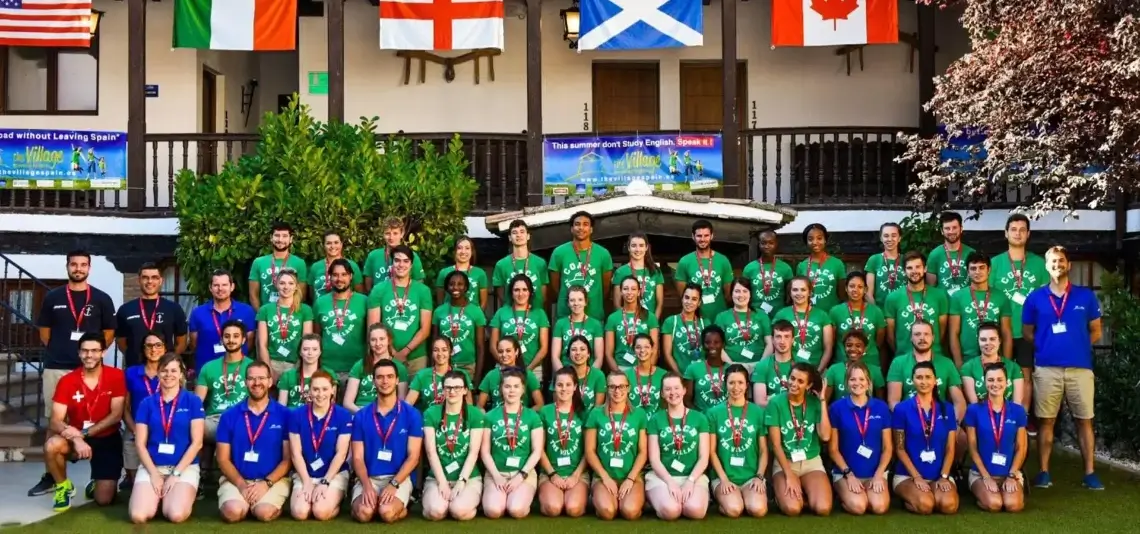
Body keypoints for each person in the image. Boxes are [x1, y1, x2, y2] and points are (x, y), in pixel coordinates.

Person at [30, 250, 116, 497]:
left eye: (83, 265)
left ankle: (96, 475)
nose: (78, 268)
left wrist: (93, 355)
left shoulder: (101, 298)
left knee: (94, 417)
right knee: (54, 420)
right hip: (57, 366)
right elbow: (45, 332)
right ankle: (53, 477)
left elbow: (109, 332)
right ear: (67, 266)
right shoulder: (53, 297)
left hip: (90, 368)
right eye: (74, 264)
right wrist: (61, 351)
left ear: (89, 268)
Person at [1022, 245, 1103, 490]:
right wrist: (1047, 347)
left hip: (1080, 368)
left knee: (1084, 420)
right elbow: (1027, 332)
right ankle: (1044, 472)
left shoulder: (1085, 296)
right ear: (1047, 267)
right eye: (1053, 262)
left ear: (1069, 265)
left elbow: (1097, 330)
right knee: (1046, 421)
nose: (1057, 265)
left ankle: (1090, 472)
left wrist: (1076, 346)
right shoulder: (1035, 297)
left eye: (1061, 261)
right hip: (1047, 368)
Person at [41, 333, 125, 512]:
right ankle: (63, 486)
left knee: (104, 500)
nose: (89, 355)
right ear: (79, 353)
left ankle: (96, 483)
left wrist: (85, 434)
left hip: (107, 437)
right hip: (75, 436)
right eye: (85, 351)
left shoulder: (116, 376)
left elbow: (116, 415)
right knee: (52, 445)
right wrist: (77, 439)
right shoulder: (67, 381)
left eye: (95, 351)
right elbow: (55, 421)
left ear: (103, 352)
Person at [990, 214, 1049, 435]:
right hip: (999, 331)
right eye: (1013, 229)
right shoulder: (995, 263)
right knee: (998, 373)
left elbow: (1047, 297)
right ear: (1006, 233)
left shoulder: (1039, 264)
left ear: (1028, 234)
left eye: (1022, 229)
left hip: (1028, 330)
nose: (1017, 233)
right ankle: (998, 414)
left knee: (1025, 375)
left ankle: (1022, 418)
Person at [129, 353, 204, 524]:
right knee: (138, 516)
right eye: (164, 371)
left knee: (175, 515)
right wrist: (154, 474)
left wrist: (175, 474)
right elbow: (140, 444)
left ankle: (172, 495)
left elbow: (197, 442)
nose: (168, 375)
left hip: (183, 468)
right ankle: (157, 496)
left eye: (173, 370)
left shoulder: (193, 401)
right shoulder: (146, 403)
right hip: (153, 467)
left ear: (181, 374)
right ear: (158, 373)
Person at [215, 361, 292, 522]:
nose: (257, 383)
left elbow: (287, 460)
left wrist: (266, 483)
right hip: (238, 479)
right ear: (245, 382)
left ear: (270, 382)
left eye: (261, 378)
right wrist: (241, 485)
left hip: (272, 480)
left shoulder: (285, 415)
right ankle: (243, 502)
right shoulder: (229, 416)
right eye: (251, 379)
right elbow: (222, 458)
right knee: (233, 512)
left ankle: (262, 503)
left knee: (263, 513)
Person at [350, 360, 423, 523]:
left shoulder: (412, 414)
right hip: (369, 478)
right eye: (380, 377)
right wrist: (367, 486)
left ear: (397, 380)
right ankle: (369, 501)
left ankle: (403, 505)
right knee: (364, 514)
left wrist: (393, 484)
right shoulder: (361, 416)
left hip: (398, 478)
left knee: (387, 513)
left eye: (390, 377)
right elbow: (357, 458)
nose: (385, 381)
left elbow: (414, 457)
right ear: (374, 381)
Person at [891, 361, 960, 515]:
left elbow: (950, 448)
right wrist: (917, 477)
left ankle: (931, 493)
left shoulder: (946, 408)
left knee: (949, 506)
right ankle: (912, 498)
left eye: (928, 377)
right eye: (919, 377)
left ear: (935, 381)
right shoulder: (902, 409)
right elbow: (900, 449)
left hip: (939, 475)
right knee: (926, 506)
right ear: (912, 380)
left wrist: (944, 477)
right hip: (908, 475)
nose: (924, 382)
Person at [765, 363, 833, 517]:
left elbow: (825, 436)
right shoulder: (776, 403)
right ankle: (783, 495)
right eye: (792, 378)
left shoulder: (815, 403)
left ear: (808, 385)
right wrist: (789, 476)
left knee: (823, 508)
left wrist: (822, 401)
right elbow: (775, 445)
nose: (794, 384)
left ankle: (805, 494)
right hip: (785, 462)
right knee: (793, 509)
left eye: (800, 381)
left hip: (811, 461)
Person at [827, 361, 892, 515]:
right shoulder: (836, 408)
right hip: (846, 473)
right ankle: (845, 496)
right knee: (859, 507)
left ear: (869, 382)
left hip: (874, 473)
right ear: (846, 383)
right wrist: (849, 475)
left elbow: (888, 448)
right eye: (853, 379)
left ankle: (866, 493)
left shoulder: (881, 407)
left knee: (879, 507)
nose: (858, 383)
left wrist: (878, 476)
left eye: (862, 379)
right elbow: (833, 449)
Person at [287, 370, 352, 521]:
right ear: (309, 391)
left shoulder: (343, 415)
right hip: (305, 473)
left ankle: (337, 501)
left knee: (320, 512)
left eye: (324, 389)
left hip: (333, 474)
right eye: (315, 389)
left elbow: (341, 453)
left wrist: (325, 481)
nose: (320, 394)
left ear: (332, 391)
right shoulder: (296, 415)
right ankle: (313, 496)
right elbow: (296, 453)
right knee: (300, 513)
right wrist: (307, 481)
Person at [421, 371, 485, 521]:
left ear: (465, 390)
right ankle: (438, 502)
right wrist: (442, 482)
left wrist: (461, 481)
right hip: (437, 477)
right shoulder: (431, 413)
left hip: (468, 477)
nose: (452, 391)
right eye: (448, 387)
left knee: (459, 512)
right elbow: (431, 452)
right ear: (443, 389)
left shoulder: (475, 414)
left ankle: (464, 503)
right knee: (436, 513)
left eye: (457, 387)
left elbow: (473, 452)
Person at [645, 374, 711, 520]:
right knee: (671, 511)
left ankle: (684, 500)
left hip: (693, 475)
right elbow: (654, 459)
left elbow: (703, 457)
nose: (672, 393)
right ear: (662, 393)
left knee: (695, 511)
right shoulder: (655, 419)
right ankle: (660, 500)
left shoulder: (700, 418)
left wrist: (690, 481)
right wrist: (670, 482)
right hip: (662, 477)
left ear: (684, 390)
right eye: (667, 389)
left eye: (676, 388)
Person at [480, 367, 544, 518]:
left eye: (516, 386)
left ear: (523, 390)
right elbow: (485, 451)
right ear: (501, 389)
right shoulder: (489, 417)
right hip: (496, 473)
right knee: (493, 511)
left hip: (523, 473)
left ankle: (520, 496)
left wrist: (521, 476)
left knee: (516, 510)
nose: (511, 390)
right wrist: (496, 476)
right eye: (507, 386)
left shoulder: (533, 417)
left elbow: (537, 451)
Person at [584, 371, 649, 520]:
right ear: (607, 388)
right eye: (612, 386)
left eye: (621, 386)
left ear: (628, 388)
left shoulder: (639, 414)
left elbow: (643, 451)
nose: (617, 391)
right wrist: (605, 478)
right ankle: (602, 500)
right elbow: (590, 451)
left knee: (630, 512)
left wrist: (630, 479)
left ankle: (632, 501)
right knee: (608, 512)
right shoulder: (596, 413)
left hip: (631, 476)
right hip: (604, 476)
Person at [707, 364, 769, 518]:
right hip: (724, 477)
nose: (736, 387)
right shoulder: (713, 413)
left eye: (740, 383)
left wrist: (759, 476)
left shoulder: (757, 412)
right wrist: (723, 480)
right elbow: (712, 451)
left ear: (747, 385)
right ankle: (725, 500)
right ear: (725, 384)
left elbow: (763, 450)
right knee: (734, 510)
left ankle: (746, 497)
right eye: (731, 383)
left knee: (758, 510)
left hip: (751, 476)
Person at [964, 364, 1028, 513]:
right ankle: (986, 493)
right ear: (985, 383)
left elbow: (1021, 447)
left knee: (1013, 506)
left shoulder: (1017, 411)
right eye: (991, 380)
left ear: (1007, 383)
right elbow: (972, 447)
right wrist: (986, 477)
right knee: (994, 504)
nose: (995, 384)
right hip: (981, 474)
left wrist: (1012, 475)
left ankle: (1006, 490)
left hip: (1009, 472)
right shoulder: (974, 410)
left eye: (1000, 380)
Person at [367, 245, 434, 375]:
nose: (401, 265)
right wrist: (391, 351)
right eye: (397, 260)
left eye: (406, 261)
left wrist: (404, 352)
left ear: (411, 264)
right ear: (392, 263)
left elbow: (425, 329)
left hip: (417, 358)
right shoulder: (378, 289)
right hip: (385, 355)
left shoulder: (423, 291)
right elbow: (373, 327)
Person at [538, 367, 591, 517]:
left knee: (573, 509)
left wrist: (576, 475)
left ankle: (583, 497)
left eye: (568, 385)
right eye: (559, 385)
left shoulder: (584, 413)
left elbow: (589, 451)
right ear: (554, 387)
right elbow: (539, 449)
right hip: (550, 472)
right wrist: (553, 474)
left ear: (575, 387)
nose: (564, 389)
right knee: (553, 508)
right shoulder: (545, 412)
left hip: (577, 473)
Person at [115, 262, 188, 368]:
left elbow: (182, 342)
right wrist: (135, 356)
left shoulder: (174, 309)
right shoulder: (125, 310)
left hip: (164, 370)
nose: (150, 281)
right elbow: (121, 342)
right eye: (145, 277)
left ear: (161, 281)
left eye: (154, 277)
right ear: (139, 280)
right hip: (135, 368)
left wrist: (169, 360)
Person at [887, 322, 966, 418]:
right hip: (910, 417)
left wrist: (955, 425)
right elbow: (893, 401)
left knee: (962, 434)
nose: (922, 338)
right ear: (911, 338)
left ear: (933, 337)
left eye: (926, 334)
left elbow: (959, 402)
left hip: (940, 418)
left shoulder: (947, 363)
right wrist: (906, 422)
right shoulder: (898, 362)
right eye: (917, 334)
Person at [949, 253, 1012, 368]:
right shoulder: (958, 296)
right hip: (967, 358)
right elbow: (954, 333)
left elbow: (1006, 333)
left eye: (982, 267)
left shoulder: (1001, 297)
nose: (977, 272)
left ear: (989, 270)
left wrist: (1006, 363)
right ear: (967, 271)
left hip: (995, 358)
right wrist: (958, 363)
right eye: (973, 268)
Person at [549, 211, 614, 322]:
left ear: (591, 229)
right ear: (572, 228)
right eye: (577, 224)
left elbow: (606, 287)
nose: (581, 228)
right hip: (566, 315)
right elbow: (555, 286)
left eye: (585, 224)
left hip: (594, 315)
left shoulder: (603, 254)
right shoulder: (559, 252)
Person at [195, 320, 255, 442]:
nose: (231, 340)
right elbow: (197, 402)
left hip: (243, 418)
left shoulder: (253, 367)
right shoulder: (209, 367)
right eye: (227, 336)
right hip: (214, 419)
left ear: (243, 340)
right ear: (222, 340)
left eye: (236, 336)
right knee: (192, 427)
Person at [187, 269, 256, 373]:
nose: (220, 289)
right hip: (206, 370)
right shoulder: (198, 313)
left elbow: (249, 342)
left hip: (238, 370)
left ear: (232, 287)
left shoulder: (246, 311)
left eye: (224, 285)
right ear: (210, 288)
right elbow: (193, 344)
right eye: (216, 285)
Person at [122, 332, 166, 490]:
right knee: (138, 487)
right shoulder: (131, 373)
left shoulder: (171, 372)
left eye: (158, 345)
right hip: (136, 427)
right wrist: (135, 429)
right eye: (149, 345)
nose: (153, 349)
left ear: (165, 348)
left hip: (165, 428)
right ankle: (132, 479)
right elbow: (125, 408)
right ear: (143, 349)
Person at [884, 252, 951, 357]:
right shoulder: (893, 298)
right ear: (904, 271)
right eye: (910, 268)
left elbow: (942, 331)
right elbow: (890, 335)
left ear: (925, 269)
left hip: (934, 355)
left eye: (918, 267)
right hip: (904, 356)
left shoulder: (940, 295)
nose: (914, 271)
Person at [314, 259, 369, 383]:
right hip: (327, 368)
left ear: (351, 276)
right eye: (335, 275)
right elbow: (316, 336)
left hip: (356, 368)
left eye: (344, 274)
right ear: (330, 277)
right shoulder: (320, 302)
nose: (339, 279)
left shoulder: (364, 301)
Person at [256, 268, 314, 380]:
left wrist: (302, 368)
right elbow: (262, 344)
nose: (286, 287)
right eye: (282, 283)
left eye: (291, 283)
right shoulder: (265, 310)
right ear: (276, 285)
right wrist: (268, 371)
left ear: (296, 286)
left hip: (295, 363)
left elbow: (307, 342)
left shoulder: (305, 310)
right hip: (272, 362)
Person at [490, 274, 551, 381]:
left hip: (533, 369)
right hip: (504, 368)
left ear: (530, 292)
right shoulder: (501, 312)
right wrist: (507, 365)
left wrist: (528, 369)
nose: (520, 293)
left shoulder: (540, 313)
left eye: (524, 289)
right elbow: (492, 346)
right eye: (516, 290)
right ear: (511, 293)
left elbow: (544, 348)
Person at [674, 220, 734, 319]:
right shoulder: (684, 261)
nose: (702, 239)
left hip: (719, 317)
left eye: (706, 235)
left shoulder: (723, 260)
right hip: (695, 318)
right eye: (699, 236)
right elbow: (682, 295)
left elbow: (728, 295)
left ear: (712, 236)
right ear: (693, 237)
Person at [432, 270, 487, 378]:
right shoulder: (439, 311)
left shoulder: (476, 311)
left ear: (466, 288)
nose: (455, 287)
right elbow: (433, 343)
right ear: (447, 288)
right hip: (443, 364)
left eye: (460, 284)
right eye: (451, 284)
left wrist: (477, 377)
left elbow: (480, 346)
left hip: (468, 366)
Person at [773, 276, 835, 370]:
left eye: (803, 290)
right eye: (795, 290)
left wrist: (818, 372)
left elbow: (828, 348)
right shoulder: (781, 314)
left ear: (809, 292)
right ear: (790, 292)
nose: (799, 293)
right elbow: (774, 342)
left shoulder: (822, 315)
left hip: (817, 368)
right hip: (789, 370)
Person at [345, 324, 410, 412]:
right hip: (361, 410)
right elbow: (347, 402)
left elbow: (402, 402)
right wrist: (363, 415)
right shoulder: (360, 365)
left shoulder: (400, 368)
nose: (378, 343)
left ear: (389, 340)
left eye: (382, 339)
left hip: (388, 413)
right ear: (369, 342)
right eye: (373, 340)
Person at [830, 271, 887, 370]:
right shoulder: (835, 311)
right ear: (846, 289)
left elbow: (879, 340)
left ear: (865, 290)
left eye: (860, 287)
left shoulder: (876, 311)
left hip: (870, 363)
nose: (855, 290)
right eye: (852, 286)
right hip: (843, 363)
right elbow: (833, 340)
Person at [714, 278, 773, 371]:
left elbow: (769, 343)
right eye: (737, 291)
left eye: (745, 291)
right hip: (731, 366)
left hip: (758, 365)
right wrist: (731, 365)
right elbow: (717, 346)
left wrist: (761, 366)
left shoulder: (761, 315)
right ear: (731, 294)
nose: (741, 295)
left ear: (750, 294)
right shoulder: (721, 317)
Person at [492, 219, 549, 315]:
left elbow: (544, 293)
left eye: (522, 232)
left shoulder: (540, 263)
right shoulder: (501, 265)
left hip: (534, 314)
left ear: (528, 236)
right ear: (510, 237)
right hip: (510, 315)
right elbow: (501, 294)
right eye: (514, 233)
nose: (518, 235)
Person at [248, 222, 309, 310]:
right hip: (265, 315)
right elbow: (253, 295)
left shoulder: (299, 263)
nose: (280, 239)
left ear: (290, 239)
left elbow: (301, 295)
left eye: (284, 236)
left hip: (290, 315)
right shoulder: (258, 262)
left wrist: (290, 315)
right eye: (277, 235)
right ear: (271, 238)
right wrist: (261, 316)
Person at [961, 322, 1025, 405]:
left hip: (1009, 415)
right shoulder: (968, 367)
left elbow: (1017, 404)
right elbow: (974, 404)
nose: (988, 343)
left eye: (992, 339)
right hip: (980, 415)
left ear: (999, 341)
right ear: (978, 341)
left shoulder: (1014, 367)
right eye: (983, 339)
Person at [605, 277, 660, 371]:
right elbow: (608, 353)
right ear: (621, 292)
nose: (629, 292)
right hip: (620, 367)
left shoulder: (650, 317)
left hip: (643, 368)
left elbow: (654, 350)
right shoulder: (612, 318)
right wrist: (618, 374)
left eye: (633, 289)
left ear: (639, 292)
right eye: (625, 289)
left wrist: (647, 370)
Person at [406, 337, 474, 411]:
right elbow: (408, 404)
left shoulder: (461, 374)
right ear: (432, 353)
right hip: (428, 420)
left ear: (451, 352)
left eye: (444, 350)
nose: (440, 354)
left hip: (455, 420)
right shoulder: (422, 375)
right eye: (436, 350)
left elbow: (469, 405)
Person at [477, 337, 543, 409]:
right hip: (496, 418)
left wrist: (526, 416)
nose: (504, 355)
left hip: (520, 418)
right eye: (500, 351)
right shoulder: (491, 375)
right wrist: (489, 418)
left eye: (508, 351)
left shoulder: (527, 375)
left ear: (516, 351)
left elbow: (540, 404)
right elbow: (479, 406)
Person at [363, 217, 427, 291]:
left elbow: (419, 283)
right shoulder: (373, 256)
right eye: (387, 233)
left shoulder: (412, 256)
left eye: (395, 233)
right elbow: (368, 284)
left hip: (404, 300)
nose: (391, 237)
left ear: (402, 234)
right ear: (383, 234)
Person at [612, 232, 665, 321]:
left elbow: (660, 303)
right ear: (628, 248)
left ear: (646, 247)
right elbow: (617, 304)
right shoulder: (620, 272)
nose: (637, 249)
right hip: (628, 324)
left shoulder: (655, 271)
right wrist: (626, 322)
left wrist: (653, 323)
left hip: (649, 323)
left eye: (641, 245)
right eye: (633, 246)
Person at [551, 286, 605, 372]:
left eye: (580, 300)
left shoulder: (595, 324)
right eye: (572, 300)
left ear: (585, 302)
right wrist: (564, 376)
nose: (576, 303)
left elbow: (599, 358)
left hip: (588, 372)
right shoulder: (560, 324)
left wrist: (590, 376)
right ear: (568, 303)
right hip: (566, 372)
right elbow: (555, 357)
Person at [742, 229, 794, 316]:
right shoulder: (749, 268)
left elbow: (790, 296)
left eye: (771, 243)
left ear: (776, 244)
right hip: (755, 315)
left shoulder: (786, 269)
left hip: (779, 315)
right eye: (763, 243)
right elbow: (744, 293)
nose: (767, 246)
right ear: (759, 244)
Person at [796, 223, 847, 311]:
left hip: (831, 314)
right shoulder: (802, 266)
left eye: (819, 238)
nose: (815, 242)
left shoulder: (837, 264)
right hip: (808, 315)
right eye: (810, 239)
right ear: (806, 242)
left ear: (825, 240)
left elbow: (842, 295)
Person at [823, 331, 886, 401]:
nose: (853, 349)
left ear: (865, 349)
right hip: (840, 411)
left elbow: (881, 402)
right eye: (849, 345)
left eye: (858, 346)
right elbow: (825, 400)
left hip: (867, 411)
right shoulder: (834, 369)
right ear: (844, 347)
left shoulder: (875, 371)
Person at [276, 335, 335, 408]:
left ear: (320, 352)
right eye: (306, 349)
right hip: (292, 417)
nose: (310, 353)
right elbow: (281, 407)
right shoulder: (288, 375)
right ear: (300, 352)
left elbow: (331, 405)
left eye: (315, 349)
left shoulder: (328, 374)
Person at [661, 283, 707, 374]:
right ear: (682, 299)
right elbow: (667, 355)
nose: (689, 302)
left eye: (694, 299)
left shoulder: (705, 323)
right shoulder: (671, 322)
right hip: (679, 375)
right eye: (686, 297)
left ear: (699, 303)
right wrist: (680, 376)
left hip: (701, 375)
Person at [927, 211, 975, 296]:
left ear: (961, 229)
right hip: (943, 303)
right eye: (947, 228)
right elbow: (931, 286)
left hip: (965, 302)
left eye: (954, 227)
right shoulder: (934, 254)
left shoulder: (971, 253)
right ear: (942, 231)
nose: (951, 231)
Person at [434, 235, 489, 309]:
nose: (463, 251)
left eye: (467, 248)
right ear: (454, 251)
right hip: (450, 317)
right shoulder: (444, 273)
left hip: (472, 317)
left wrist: (477, 317)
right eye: (459, 248)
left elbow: (483, 303)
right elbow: (440, 302)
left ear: (472, 251)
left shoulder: (480, 273)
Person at [682, 325, 729, 411]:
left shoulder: (731, 369)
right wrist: (700, 418)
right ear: (703, 345)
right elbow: (687, 401)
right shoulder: (693, 368)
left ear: (723, 344)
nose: (712, 346)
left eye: (716, 342)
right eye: (708, 342)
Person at [308, 229, 364, 300]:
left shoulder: (352, 265)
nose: (332, 246)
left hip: (345, 309)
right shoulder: (315, 267)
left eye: (336, 242)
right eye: (328, 243)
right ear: (323, 245)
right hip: (320, 309)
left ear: (341, 244)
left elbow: (359, 293)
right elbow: (312, 294)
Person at [752, 320, 797, 407]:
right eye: (778, 337)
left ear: (792, 340)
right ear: (772, 340)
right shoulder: (762, 366)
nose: (782, 341)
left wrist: (773, 399)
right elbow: (760, 403)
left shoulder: (803, 364)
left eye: (787, 336)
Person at [558, 335, 608, 406]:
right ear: (569, 354)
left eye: (582, 349)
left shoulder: (598, 376)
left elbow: (598, 409)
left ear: (588, 354)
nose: (578, 353)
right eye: (574, 349)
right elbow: (559, 406)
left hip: (592, 417)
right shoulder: (561, 375)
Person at [626, 334, 666, 418]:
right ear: (633, 350)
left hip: (657, 423)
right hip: (634, 422)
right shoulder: (625, 375)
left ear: (652, 349)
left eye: (647, 347)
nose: (642, 350)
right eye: (638, 347)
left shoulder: (664, 375)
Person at [865, 222, 903, 305]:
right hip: (880, 311)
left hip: (902, 311)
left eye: (894, 235)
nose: (890, 239)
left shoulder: (906, 260)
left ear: (899, 238)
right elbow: (868, 294)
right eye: (886, 236)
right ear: (881, 238)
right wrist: (877, 314)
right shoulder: (874, 260)